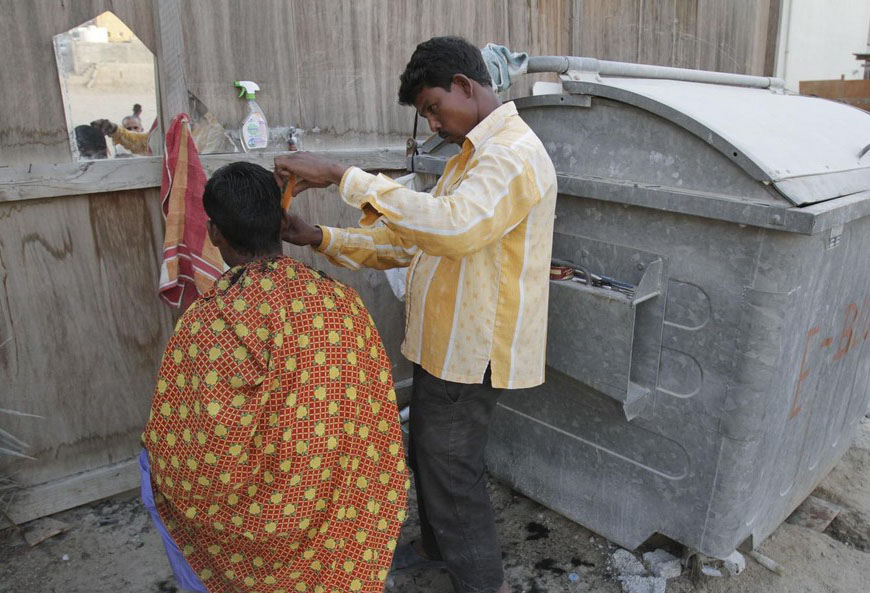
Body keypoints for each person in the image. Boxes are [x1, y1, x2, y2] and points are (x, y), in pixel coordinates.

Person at [274, 36, 558, 593]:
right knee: (430, 454)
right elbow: (411, 241)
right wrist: (321, 236)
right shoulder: (468, 160)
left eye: (433, 107)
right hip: (441, 345)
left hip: (470, 352)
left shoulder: (511, 155)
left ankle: (482, 584)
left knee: (451, 470)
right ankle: (436, 548)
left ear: (464, 86)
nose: (432, 123)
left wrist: (342, 175)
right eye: (426, 113)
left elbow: (454, 228)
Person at [140, 161, 409, 593]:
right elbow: (373, 416)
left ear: (214, 234)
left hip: (245, 528)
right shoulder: (341, 304)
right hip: (335, 507)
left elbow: (185, 435)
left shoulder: (203, 323)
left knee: (150, 464)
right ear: (283, 222)